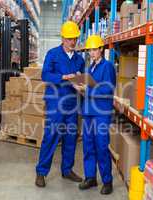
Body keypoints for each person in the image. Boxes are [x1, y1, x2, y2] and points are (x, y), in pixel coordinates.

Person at [35, 21, 85, 188]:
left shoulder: (79, 59)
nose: (73, 42)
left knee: (70, 138)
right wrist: (64, 77)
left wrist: (80, 82)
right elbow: (45, 75)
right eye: (70, 39)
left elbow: (81, 78)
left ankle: (67, 170)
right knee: (51, 137)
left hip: (72, 104)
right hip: (56, 103)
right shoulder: (53, 54)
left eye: (75, 38)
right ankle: (41, 172)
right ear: (63, 38)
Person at [73, 35, 116, 195]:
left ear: (101, 50)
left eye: (94, 49)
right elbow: (89, 89)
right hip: (89, 113)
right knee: (88, 147)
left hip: (101, 114)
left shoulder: (107, 67)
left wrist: (87, 90)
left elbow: (108, 90)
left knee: (102, 147)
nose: (91, 53)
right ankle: (90, 177)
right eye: (90, 50)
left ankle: (107, 181)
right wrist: (80, 88)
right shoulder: (89, 68)